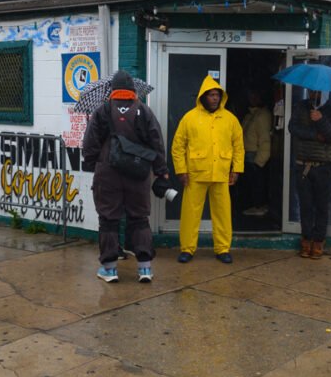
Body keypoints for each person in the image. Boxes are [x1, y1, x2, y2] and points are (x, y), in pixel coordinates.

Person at [82, 70, 168, 283]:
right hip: (138, 173)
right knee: (139, 219)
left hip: (108, 174)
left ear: (113, 89)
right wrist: (161, 170)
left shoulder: (102, 111)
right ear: (133, 89)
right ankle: (145, 268)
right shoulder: (144, 111)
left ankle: (110, 270)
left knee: (108, 219)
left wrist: (94, 164)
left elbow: (90, 145)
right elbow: (156, 142)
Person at [171, 75, 244, 264]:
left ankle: (223, 249)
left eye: (217, 95)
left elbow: (238, 146)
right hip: (195, 174)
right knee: (190, 214)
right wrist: (181, 170)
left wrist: (236, 169)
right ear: (203, 96)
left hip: (221, 173)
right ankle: (187, 249)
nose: (214, 98)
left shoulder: (230, 119)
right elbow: (178, 146)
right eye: (211, 95)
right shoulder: (189, 118)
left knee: (222, 214)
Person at [288, 89, 331, 258]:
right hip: (302, 164)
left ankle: (318, 242)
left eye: (317, 91)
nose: (313, 94)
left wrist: (321, 120)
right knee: (306, 206)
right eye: (311, 91)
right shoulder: (301, 106)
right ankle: (306, 239)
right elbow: (293, 127)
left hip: (323, 166)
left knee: (321, 206)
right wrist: (315, 135)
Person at [241, 89, 272, 217]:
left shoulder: (263, 115)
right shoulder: (250, 115)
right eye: (250, 95)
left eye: (255, 96)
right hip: (247, 154)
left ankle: (259, 206)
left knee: (257, 183)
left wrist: (259, 161)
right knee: (251, 184)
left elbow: (265, 140)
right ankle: (255, 205)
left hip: (256, 156)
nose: (252, 98)